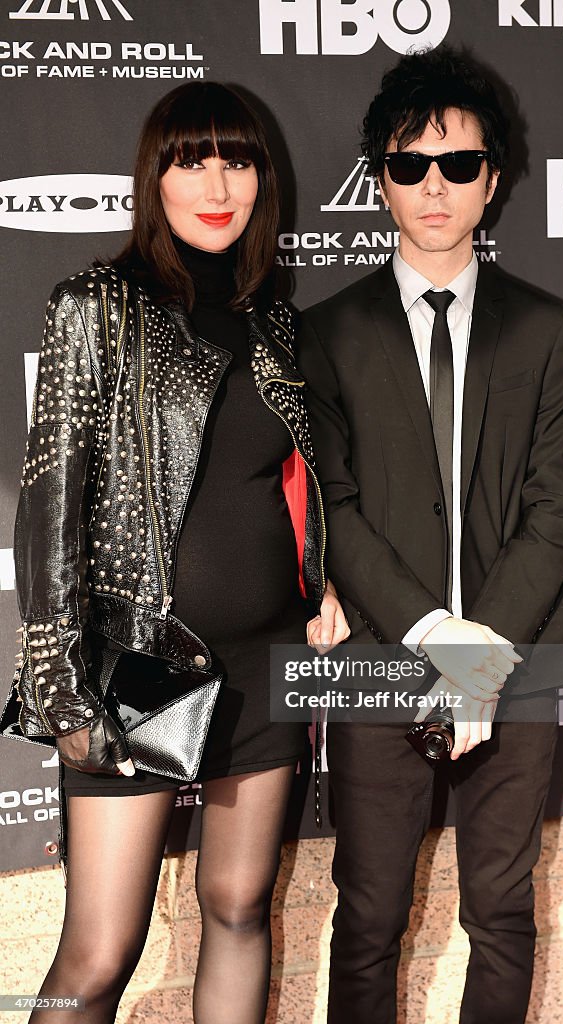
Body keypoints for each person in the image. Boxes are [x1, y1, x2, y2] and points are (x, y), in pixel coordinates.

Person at [1, 81, 348, 1024]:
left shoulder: (276, 321)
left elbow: (300, 480)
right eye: (190, 159)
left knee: (239, 907)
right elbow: (48, 511)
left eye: (237, 159)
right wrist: (59, 682)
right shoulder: (97, 307)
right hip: (143, 663)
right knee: (103, 946)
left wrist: (323, 587)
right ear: (153, 178)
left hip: (269, 658)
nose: (216, 181)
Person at [297, 47, 563, 1024]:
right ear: (379, 176)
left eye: (458, 165)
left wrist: (478, 658)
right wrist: (434, 634)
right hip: (384, 652)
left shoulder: (549, 328)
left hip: (521, 651)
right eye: (410, 164)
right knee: (369, 911)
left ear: (491, 179)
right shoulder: (325, 334)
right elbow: (331, 505)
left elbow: (559, 508)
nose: (435, 186)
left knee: (503, 912)